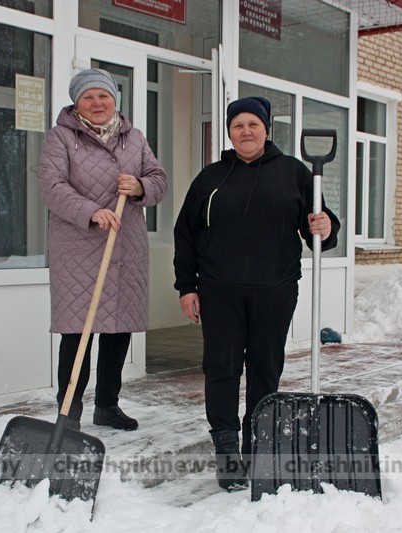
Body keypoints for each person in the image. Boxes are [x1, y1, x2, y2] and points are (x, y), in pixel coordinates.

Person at [173, 96, 340, 490]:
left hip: (275, 289)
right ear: (229, 132)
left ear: (267, 129)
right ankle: (228, 453)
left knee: (266, 370)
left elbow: (320, 226)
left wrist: (326, 226)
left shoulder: (295, 174)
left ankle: (260, 444)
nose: (245, 132)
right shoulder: (211, 178)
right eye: (237, 126)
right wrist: (187, 287)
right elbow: (186, 235)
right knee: (222, 370)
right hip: (219, 291)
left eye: (253, 124)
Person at [38, 69, 168, 431]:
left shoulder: (134, 138)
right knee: (77, 331)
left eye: (104, 96)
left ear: (115, 100)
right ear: (76, 103)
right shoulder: (61, 138)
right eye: (88, 97)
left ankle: (107, 406)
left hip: (125, 246)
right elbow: (51, 186)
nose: (98, 103)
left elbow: (159, 179)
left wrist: (141, 186)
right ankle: (69, 412)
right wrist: (90, 211)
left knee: (118, 329)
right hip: (79, 248)